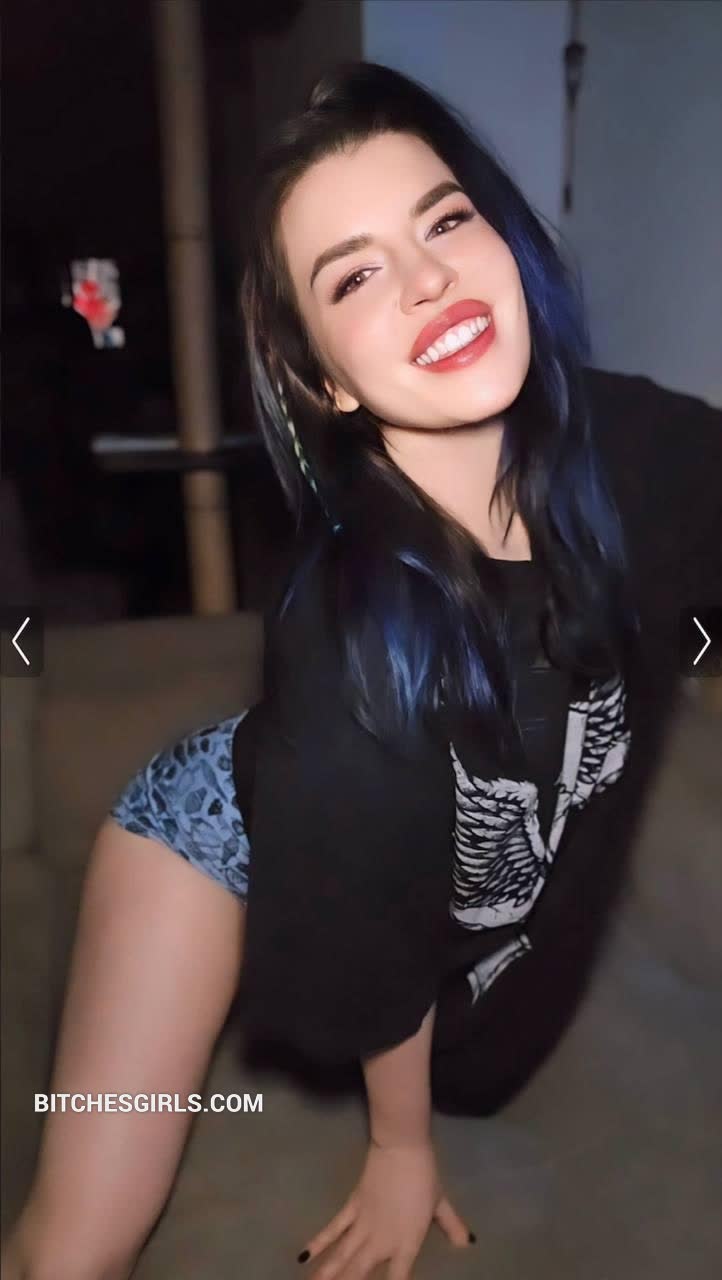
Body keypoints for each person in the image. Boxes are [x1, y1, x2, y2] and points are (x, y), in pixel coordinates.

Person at [3, 60, 720, 1280]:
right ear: (322, 380)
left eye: (442, 221)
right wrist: (399, 1144)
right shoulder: (345, 652)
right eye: (354, 274)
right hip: (218, 827)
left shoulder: (643, 451)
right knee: (75, 1247)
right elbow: (381, 951)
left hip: (370, 821)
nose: (428, 277)